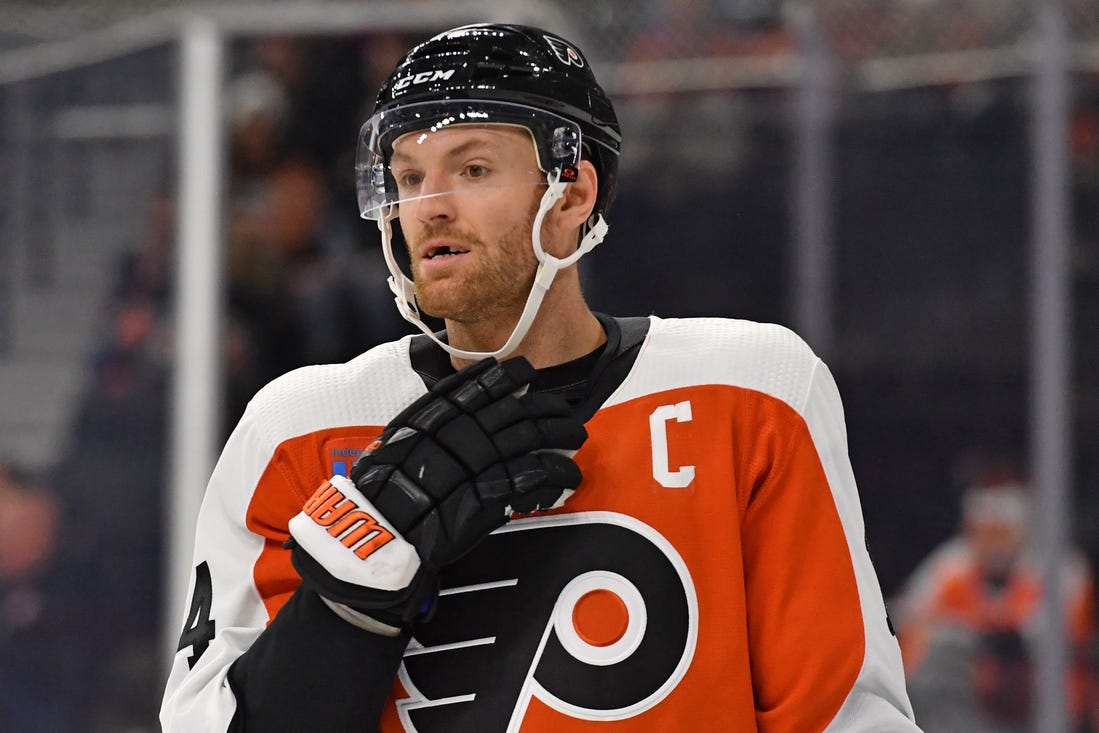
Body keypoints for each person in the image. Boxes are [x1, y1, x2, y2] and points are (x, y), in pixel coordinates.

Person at [161, 23, 920, 731]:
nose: (429, 207)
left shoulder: (752, 395)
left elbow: (845, 713)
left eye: (474, 168)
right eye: (409, 175)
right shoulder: (299, 429)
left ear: (572, 194)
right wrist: (346, 596)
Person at [894, 475, 1096, 732]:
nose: (992, 545)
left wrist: (985, 637)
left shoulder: (1060, 570)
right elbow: (908, 618)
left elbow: (1045, 641)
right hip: (975, 706)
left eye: (1000, 533)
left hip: (1043, 705)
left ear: (1023, 532)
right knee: (939, 652)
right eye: (984, 533)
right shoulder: (951, 567)